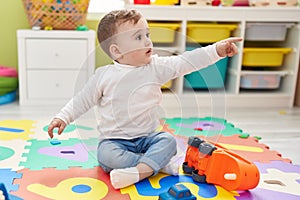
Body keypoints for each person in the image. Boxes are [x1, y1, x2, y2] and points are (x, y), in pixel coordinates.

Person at [47, 9, 242, 189]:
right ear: (117, 51)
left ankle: (140, 171)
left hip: (148, 138)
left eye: (147, 34)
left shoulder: (155, 67)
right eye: (138, 37)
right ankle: (157, 164)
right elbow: (82, 100)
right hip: (115, 141)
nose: (148, 41)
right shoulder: (103, 76)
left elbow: (186, 62)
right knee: (106, 156)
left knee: (168, 141)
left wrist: (217, 50)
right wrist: (63, 117)